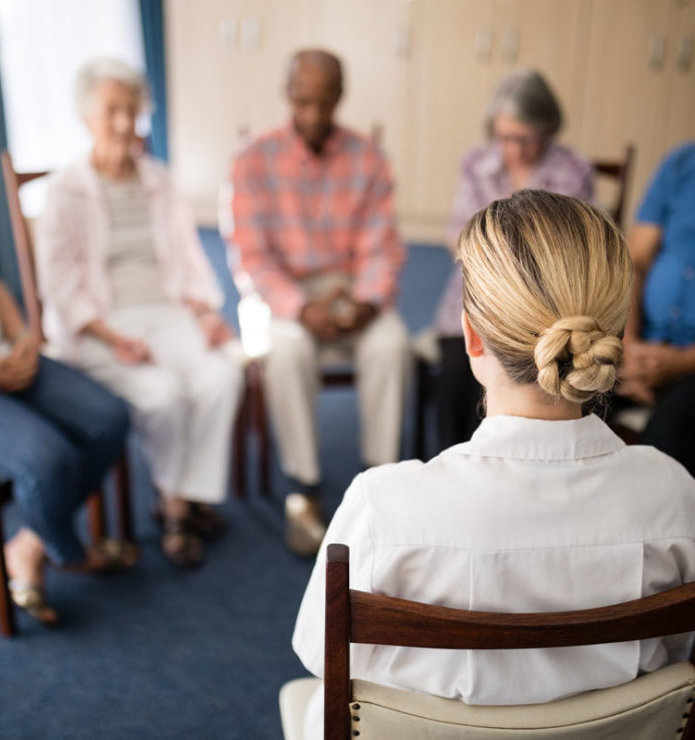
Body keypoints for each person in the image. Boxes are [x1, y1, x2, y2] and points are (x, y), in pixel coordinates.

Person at [292, 190, 695, 738]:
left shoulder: (383, 508)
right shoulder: (674, 496)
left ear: (472, 337)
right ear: (615, 334)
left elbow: (318, 653)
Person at [36, 58, 243, 568]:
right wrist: (111, 336)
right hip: (101, 324)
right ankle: (177, 509)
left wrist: (204, 311)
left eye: (133, 110)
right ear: (86, 117)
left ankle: (189, 494)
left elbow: (190, 257)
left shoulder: (159, 178)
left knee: (222, 375)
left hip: (166, 308)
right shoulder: (64, 191)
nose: (126, 123)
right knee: (163, 394)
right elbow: (59, 283)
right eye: (113, 111)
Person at [229, 49, 410, 556]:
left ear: (340, 99)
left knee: (392, 344)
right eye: (303, 102)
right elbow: (250, 257)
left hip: (350, 289)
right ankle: (303, 489)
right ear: (289, 96)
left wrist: (368, 303)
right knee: (285, 348)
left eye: (324, 104)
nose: (312, 115)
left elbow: (382, 246)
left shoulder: (368, 157)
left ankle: (381, 483)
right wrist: (298, 306)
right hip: (283, 292)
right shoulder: (253, 159)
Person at [0, 159, 132, 625]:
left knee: (109, 417)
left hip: (1, 354)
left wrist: (21, 336)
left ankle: (30, 541)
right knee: (50, 462)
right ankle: (65, 550)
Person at [433, 68, 593, 451]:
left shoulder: (573, 170)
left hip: (546, 300)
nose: (516, 150)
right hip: (476, 292)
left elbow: (574, 249)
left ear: (549, 128)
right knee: (456, 368)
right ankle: (455, 459)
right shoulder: (476, 162)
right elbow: (459, 234)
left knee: (540, 369)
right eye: (505, 138)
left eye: (527, 139)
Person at [617, 141, 695, 476]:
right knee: (562, 397)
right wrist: (628, 345)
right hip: (642, 343)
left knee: (665, 441)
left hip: (690, 364)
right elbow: (635, 262)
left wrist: (678, 364)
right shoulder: (680, 164)